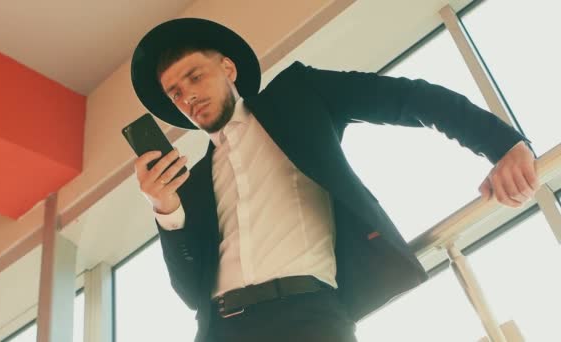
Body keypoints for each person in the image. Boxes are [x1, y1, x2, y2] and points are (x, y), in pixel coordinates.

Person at [130, 18, 538, 342]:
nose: (188, 98)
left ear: (227, 68)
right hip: (220, 330)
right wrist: (165, 210)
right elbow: (189, 293)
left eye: (195, 77)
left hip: (310, 318)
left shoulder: (299, 95)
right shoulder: (194, 182)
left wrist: (502, 144)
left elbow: (409, 98)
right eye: (175, 93)